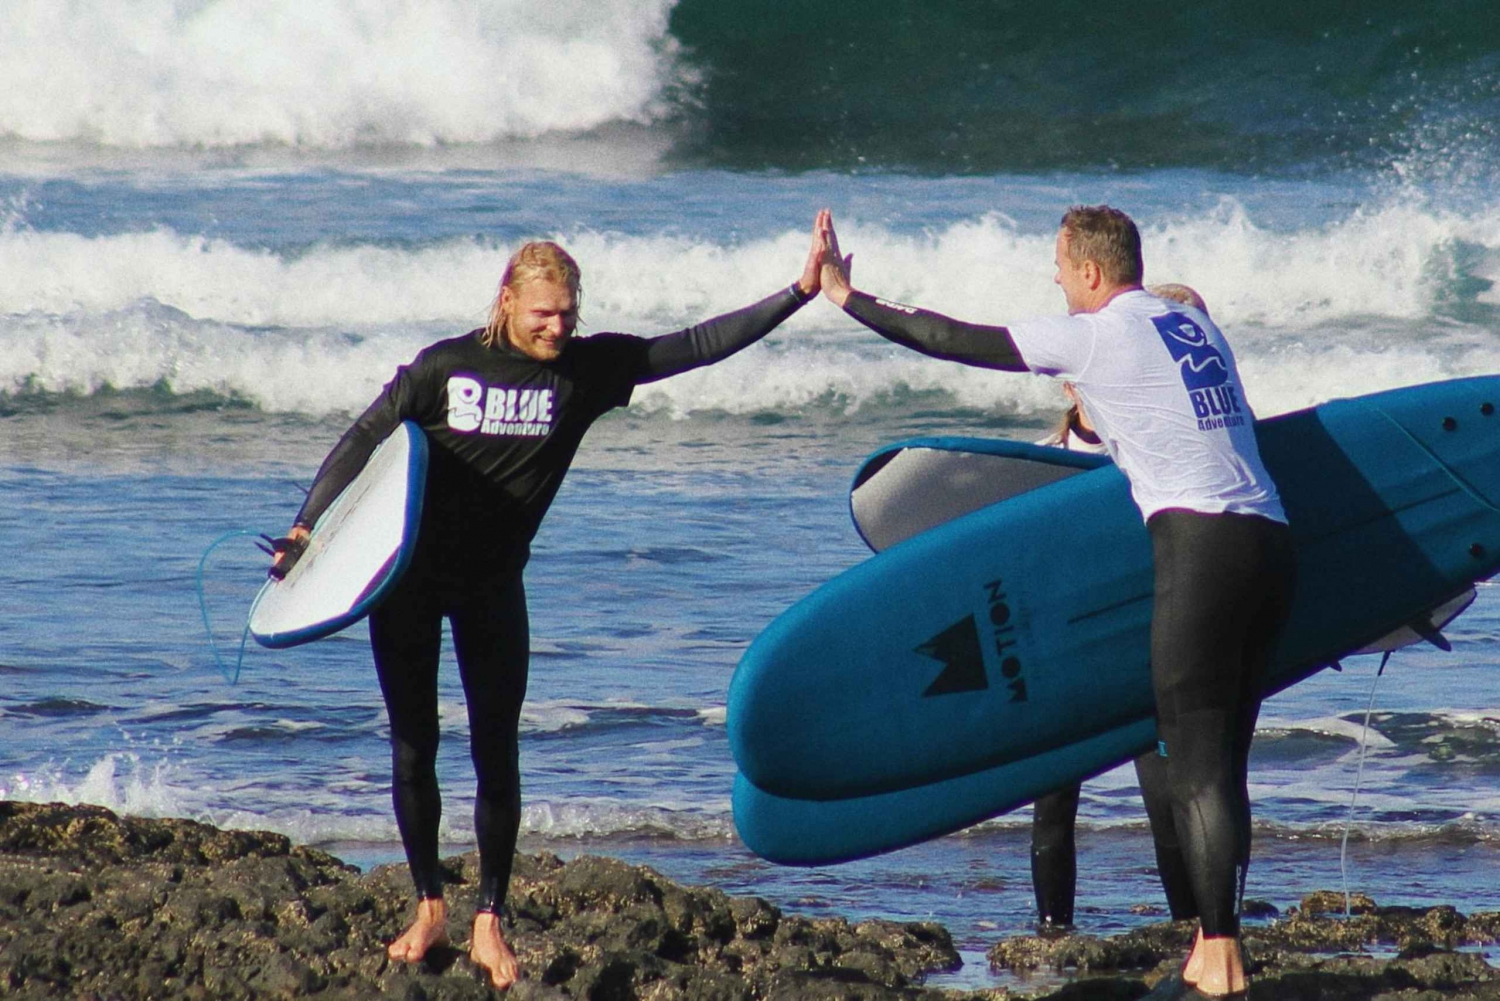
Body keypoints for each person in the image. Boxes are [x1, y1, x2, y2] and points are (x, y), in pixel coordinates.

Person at [270, 229, 825, 990]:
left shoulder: (586, 371)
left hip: (492, 585)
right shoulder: (444, 367)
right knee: (413, 746)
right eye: (542, 314)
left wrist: (798, 293)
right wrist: (307, 524)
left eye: (567, 313)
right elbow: (366, 435)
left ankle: (490, 919)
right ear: (506, 302)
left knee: (497, 751)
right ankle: (429, 902)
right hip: (405, 581)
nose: (557, 328)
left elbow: (693, 345)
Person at [812, 207, 1294, 998]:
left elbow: (949, 337)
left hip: (1200, 549)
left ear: (1092, 274)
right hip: (1272, 543)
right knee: (1223, 761)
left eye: (1062, 271)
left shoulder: (1097, 330)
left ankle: (1219, 956)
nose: (1059, 286)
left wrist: (843, 296)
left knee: (1194, 766)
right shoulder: (1194, 327)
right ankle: (1218, 939)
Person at [1030, 280, 1213, 933]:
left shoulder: (1150, 452)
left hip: (1145, 641)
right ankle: (1053, 931)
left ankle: (1190, 923)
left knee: (1165, 796)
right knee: (1052, 801)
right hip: (1069, 651)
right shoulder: (1039, 464)